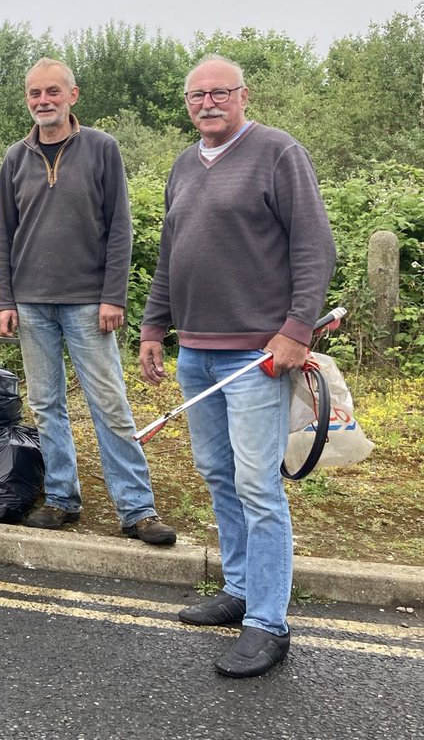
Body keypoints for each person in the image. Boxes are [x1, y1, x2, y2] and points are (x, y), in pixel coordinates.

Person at [140, 55, 336, 678]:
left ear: (243, 96)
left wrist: (296, 331)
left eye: (219, 92)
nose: (207, 103)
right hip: (196, 350)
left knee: (258, 485)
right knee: (219, 475)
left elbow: (314, 246)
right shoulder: (182, 165)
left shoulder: (279, 153)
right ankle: (241, 587)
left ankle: (269, 624)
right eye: (197, 95)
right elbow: (172, 253)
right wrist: (153, 325)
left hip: (259, 354)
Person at [0, 58, 176, 546]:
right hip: (30, 304)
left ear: (73, 95)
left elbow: (120, 227)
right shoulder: (15, 157)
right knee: (46, 405)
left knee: (110, 404)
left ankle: (137, 509)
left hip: (88, 304)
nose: (43, 101)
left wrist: (113, 294)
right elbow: (4, 236)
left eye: (53, 91)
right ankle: (61, 499)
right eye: (34, 93)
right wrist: (4, 299)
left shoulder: (101, 148)